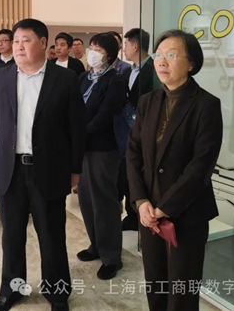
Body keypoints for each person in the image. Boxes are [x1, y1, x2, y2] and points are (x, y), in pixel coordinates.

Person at [0, 19, 86, 311]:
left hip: (49, 169)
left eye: (25, 40)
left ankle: (57, 291)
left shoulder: (64, 79)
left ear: (42, 43)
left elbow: (76, 128)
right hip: (9, 169)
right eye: (15, 41)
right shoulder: (0, 76)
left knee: (52, 236)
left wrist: (75, 169)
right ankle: (12, 288)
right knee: (12, 236)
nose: (18, 46)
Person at [127, 29, 223, 311]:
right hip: (148, 213)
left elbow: (201, 165)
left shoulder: (206, 105)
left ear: (191, 63)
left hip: (186, 213)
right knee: (155, 284)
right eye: (159, 54)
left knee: (182, 291)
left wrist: (164, 207)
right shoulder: (148, 101)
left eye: (171, 55)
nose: (162, 61)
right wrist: (141, 201)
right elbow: (133, 153)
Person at [76, 33, 126, 280]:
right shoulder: (83, 78)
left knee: (104, 202)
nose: (92, 52)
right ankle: (95, 245)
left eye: (98, 48)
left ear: (109, 54)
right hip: (82, 147)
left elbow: (105, 115)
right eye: (92, 47)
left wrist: (78, 133)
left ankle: (112, 257)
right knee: (86, 199)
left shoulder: (115, 80)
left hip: (103, 148)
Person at [117, 28, 160, 231]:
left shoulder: (152, 69)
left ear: (135, 46)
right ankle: (132, 215)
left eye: (126, 44)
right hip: (128, 132)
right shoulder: (128, 71)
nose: (124, 48)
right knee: (129, 173)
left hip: (145, 131)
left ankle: (142, 215)